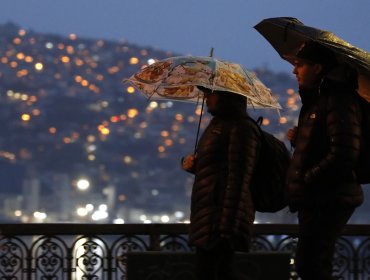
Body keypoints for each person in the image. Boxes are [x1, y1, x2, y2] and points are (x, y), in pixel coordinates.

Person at [285, 41, 364, 280]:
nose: (294, 70)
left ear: (317, 67)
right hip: (319, 197)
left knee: (310, 265)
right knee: (315, 265)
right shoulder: (318, 101)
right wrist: (300, 140)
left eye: (299, 64)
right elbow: (327, 147)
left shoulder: (337, 100)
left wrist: (309, 178)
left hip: (327, 197)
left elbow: (344, 152)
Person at [181, 87, 261, 280]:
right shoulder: (218, 125)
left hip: (220, 218)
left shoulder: (241, 128)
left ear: (226, 96)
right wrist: (191, 163)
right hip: (209, 214)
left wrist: (227, 226)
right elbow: (215, 166)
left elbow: (238, 177)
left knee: (213, 271)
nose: (206, 98)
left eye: (211, 93)